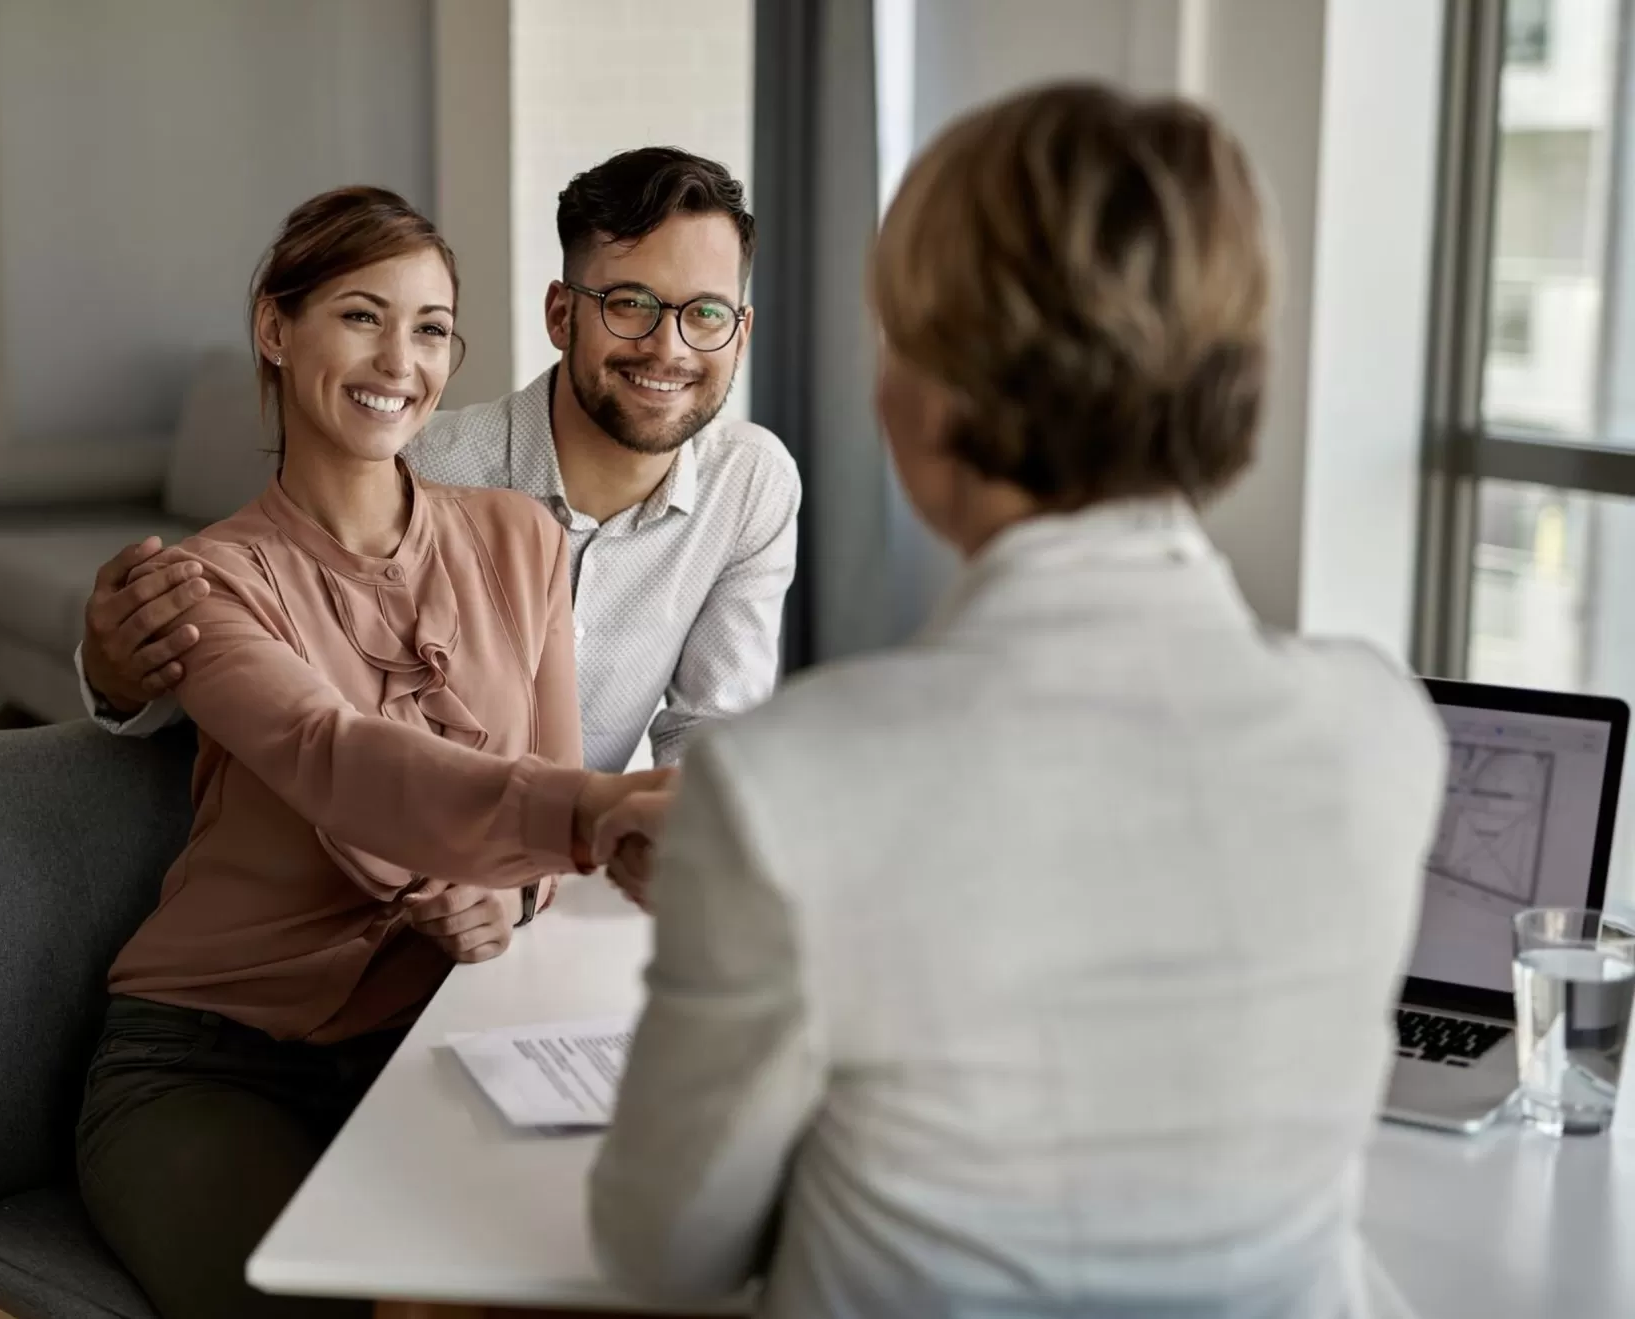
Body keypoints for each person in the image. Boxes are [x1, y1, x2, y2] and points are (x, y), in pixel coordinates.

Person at [585, 83, 1446, 1318]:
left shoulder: (790, 785)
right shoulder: (1381, 729)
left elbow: (663, 1253)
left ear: (926, 399)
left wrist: (751, 929)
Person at [74, 187, 667, 1319]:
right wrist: (593, 811)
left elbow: (538, 814)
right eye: (360, 314)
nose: (401, 358)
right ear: (273, 328)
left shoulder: (521, 537)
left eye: (432, 326)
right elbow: (328, 753)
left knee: (598, 1264)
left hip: (436, 1038)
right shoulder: (208, 582)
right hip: (213, 1056)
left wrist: (520, 899)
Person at [77, 147, 801, 779]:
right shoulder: (416, 464)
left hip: (569, 876)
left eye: (706, 313)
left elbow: (714, 735)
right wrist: (114, 675)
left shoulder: (750, 483)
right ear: (560, 315)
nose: (669, 348)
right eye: (629, 303)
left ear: (741, 334)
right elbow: (265, 669)